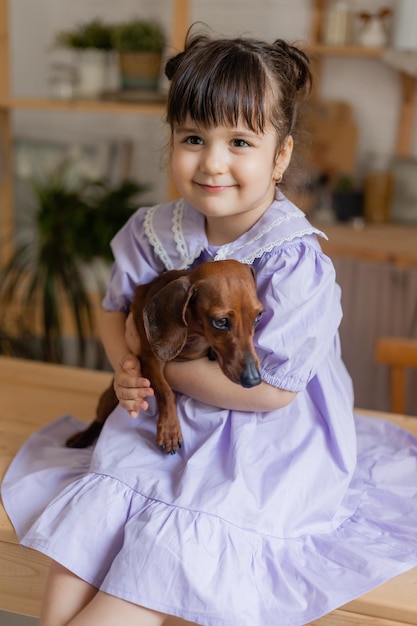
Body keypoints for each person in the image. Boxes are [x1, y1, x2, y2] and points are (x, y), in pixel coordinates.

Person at [2, 27, 417, 626]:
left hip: (262, 443)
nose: (213, 161)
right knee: (73, 564)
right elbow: (112, 309)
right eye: (193, 137)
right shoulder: (157, 230)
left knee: (146, 577)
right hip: (160, 425)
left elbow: (271, 391)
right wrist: (127, 365)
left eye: (240, 141)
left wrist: (161, 363)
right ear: (171, 140)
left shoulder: (292, 259)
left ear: (280, 156)